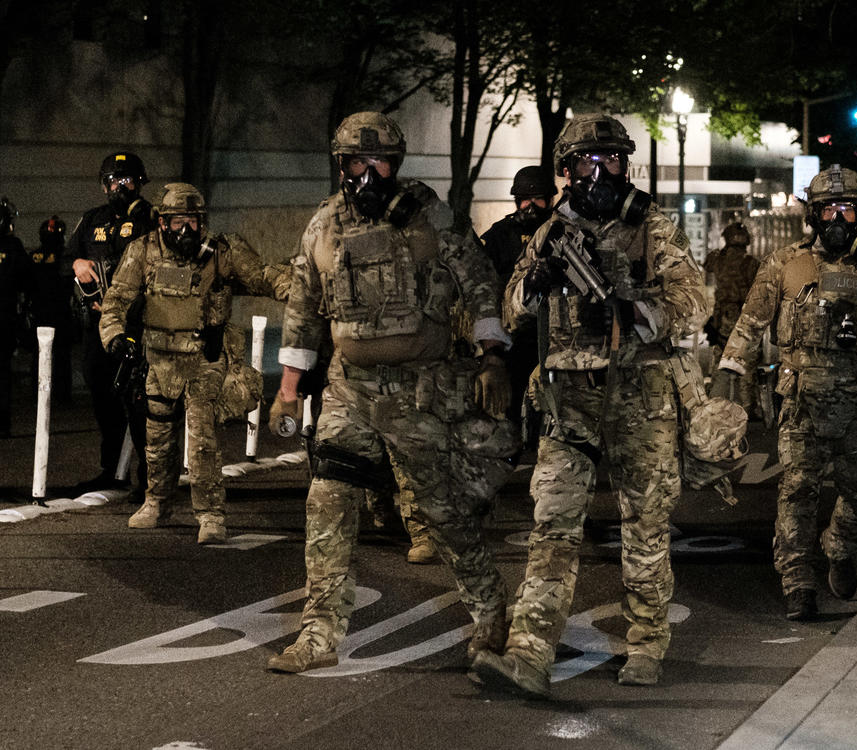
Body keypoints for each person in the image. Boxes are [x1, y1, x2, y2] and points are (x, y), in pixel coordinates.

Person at [266, 111, 512, 674]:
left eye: (380, 162)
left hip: (417, 392)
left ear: (395, 165)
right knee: (327, 503)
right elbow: (302, 306)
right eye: (358, 161)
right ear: (342, 165)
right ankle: (318, 635)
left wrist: (491, 355)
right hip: (348, 391)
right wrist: (288, 389)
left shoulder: (429, 217)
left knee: (442, 512)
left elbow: (478, 280)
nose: (368, 172)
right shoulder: (323, 226)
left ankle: (491, 612)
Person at [471, 114, 707, 696]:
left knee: (646, 530)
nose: (600, 173)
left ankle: (647, 644)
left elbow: (695, 302)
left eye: (612, 162)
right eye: (587, 163)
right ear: (567, 170)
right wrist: (537, 282)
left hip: (640, 401)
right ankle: (529, 653)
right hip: (568, 404)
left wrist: (632, 314)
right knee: (551, 529)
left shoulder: (653, 228)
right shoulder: (551, 231)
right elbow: (509, 311)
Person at [713, 165, 857, 621]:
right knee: (797, 491)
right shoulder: (784, 264)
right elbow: (751, 323)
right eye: (829, 209)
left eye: (847, 211)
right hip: (802, 404)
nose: (838, 219)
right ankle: (798, 580)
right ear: (813, 215)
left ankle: (839, 545)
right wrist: (728, 375)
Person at [99, 182, 290, 544]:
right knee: (157, 439)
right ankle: (157, 502)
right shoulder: (142, 251)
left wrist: (301, 286)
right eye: (176, 222)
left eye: (193, 222)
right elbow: (117, 300)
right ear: (161, 223)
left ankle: (210, 514)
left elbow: (262, 277)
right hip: (158, 361)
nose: (185, 231)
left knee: (202, 439)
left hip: (204, 359)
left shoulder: (222, 251)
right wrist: (115, 338)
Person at [69, 152, 156, 493]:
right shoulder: (92, 220)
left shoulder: (151, 217)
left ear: (139, 182)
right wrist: (77, 262)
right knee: (102, 396)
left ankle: (150, 477)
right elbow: (67, 258)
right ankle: (111, 470)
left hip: (135, 325)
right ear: (104, 185)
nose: (120, 187)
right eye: (113, 181)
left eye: (127, 180)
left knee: (139, 399)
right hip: (98, 325)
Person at [479, 166, 558, 436]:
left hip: (554, 334)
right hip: (514, 333)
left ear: (550, 199)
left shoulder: (560, 231)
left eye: (539, 198)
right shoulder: (500, 235)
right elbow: (483, 282)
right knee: (509, 398)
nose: (531, 205)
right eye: (525, 198)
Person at [704, 222, 760, 414]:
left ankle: (715, 403)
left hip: (721, 318)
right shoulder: (751, 263)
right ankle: (747, 406)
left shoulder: (718, 259)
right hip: (744, 317)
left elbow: (706, 264)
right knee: (747, 362)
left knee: (720, 360)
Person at [29, 217, 75, 405]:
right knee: (62, 356)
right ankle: (62, 396)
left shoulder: (34, 256)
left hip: (41, 310)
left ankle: (38, 393)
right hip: (59, 310)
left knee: (39, 354)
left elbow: (27, 283)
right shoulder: (65, 256)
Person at [0, 196, 32, 438]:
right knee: (2, 374)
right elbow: (27, 279)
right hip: (5, 319)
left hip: (6, 318)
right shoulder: (13, 247)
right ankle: (2, 425)